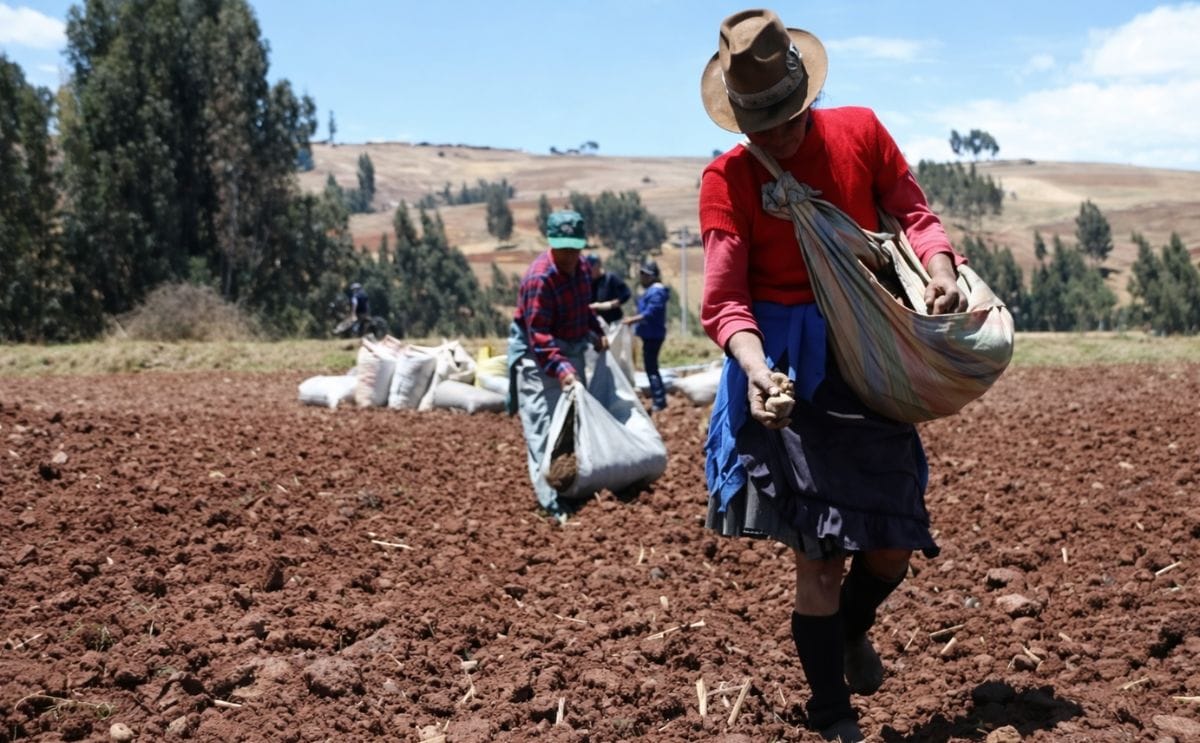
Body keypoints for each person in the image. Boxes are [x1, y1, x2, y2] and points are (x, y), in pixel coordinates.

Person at [698, 10, 968, 743]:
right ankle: (832, 714)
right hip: (784, 378)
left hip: (866, 356)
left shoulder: (862, 132)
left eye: (785, 120)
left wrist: (940, 270)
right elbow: (725, 301)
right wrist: (756, 370)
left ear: (806, 96)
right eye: (760, 126)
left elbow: (913, 212)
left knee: (893, 542)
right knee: (819, 554)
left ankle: (852, 632)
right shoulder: (727, 179)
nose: (775, 138)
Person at [508, 210, 608, 521]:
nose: (568, 255)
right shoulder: (540, 278)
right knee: (543, 428)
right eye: (562, 248)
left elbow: (583, 307)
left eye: (574, 248)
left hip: (571, 346)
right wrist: (562, 370)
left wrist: (595, 331)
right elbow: (538, 335)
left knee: (571, 425)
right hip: (538, 356)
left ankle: (574, 488)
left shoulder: (581, 269)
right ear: (552, 243)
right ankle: (552, 505)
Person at [622, 260, 670, 412]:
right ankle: (659, 398)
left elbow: (651, 312)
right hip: (650, 334)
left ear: (651, 276)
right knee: (651, 367)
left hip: (653, 335)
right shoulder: (652, 291)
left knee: (651, 368)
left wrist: (632, 320)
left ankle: (659, 400)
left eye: (644, 274)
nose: (641, 277)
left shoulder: (656, 292)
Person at [585, 253, 632, 325]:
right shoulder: (587, 281)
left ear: (598, 265)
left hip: (614, 323)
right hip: (596, 324)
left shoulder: (610, 278)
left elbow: (625, 294)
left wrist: (608, 305)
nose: (590, 270)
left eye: (592, 267)